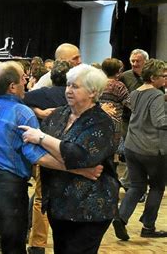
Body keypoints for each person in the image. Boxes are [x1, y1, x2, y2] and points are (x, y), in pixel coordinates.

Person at [0, 61, 104, 253]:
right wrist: (79, 169)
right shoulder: (22, 113)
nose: (26, 81)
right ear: (12, 87)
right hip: (7, 190)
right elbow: (35, 156)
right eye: (23, 78)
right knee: (13, 248)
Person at [21, 64, 119, 254]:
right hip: (59, 206)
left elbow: (79, 156)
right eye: (68, 85)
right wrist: (76, 169)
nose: (68, 91)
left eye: (75, 86)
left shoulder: (101, 121)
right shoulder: (58, 114)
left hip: (89, 209)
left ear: (92, 92)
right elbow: (36, 153)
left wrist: (42, 138)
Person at [112, 59, 167, 241]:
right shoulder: (157, 94)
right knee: (157, 187)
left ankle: (121, 217)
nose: (165, 79)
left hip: (132, 147)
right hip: (152, 149)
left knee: (136, 186)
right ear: (153, 77)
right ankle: (148, 226)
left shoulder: (135, 92)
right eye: (163, 76)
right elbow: (160, 121)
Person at [23, 60, 70, 254]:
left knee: (41, 199)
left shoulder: (41, 94)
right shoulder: (76, 96)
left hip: (45, 151)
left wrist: (39, 112)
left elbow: (21, 98)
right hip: (68, 151)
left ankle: (37, 244)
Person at [118, 49, 149, 192]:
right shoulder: (124, 77)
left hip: (146, 121)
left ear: (146, 62)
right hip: (127, 120)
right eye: (132, 61)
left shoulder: (151, 77)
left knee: (139, 154)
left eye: (138, 61)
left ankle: (130, 183)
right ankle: (131, 183)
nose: (135, 64)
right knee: (133, 152)